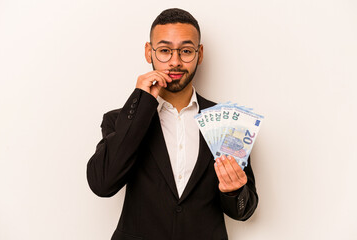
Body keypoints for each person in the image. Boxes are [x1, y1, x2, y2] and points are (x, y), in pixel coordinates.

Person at [86, 8, 258, 240]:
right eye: (165, 51)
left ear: (200, 54)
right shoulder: (120, 119)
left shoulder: (227, 121)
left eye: (186, 51)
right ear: (149, 52)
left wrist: (233, 190)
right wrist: (141, 100)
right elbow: (102, 184)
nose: (175, 62)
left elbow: (245, 210)